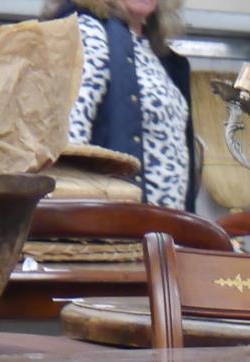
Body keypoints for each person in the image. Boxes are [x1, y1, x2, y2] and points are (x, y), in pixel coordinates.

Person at [44, 0, 196, 211]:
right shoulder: (88, 32)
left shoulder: (158, 55)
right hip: (115, 231)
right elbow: (68, 145)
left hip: (162, 232)